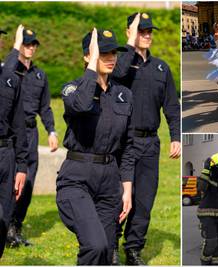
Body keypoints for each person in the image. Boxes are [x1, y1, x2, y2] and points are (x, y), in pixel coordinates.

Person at [56, 28, 134, 265]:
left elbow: (128, 145)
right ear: (88, 56)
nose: (111, 58)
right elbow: (80, 106)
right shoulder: (72, 89)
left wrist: (127, 188)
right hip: (77, 178)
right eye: (103, 53)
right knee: (94, 245)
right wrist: (92, 68)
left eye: (114, 53)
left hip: (110, 181)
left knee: (107, 252)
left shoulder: (124, 95)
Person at [112, 13, 181, 265]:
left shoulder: (161, 67)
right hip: (122, 143)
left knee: (144, 201)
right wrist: (129, 43)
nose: (148, 34)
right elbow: (117, 75)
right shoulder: (120, 64)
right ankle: (111, 247)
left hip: (150, 143)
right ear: (130, 32)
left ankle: (133, 249)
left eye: (150, 30)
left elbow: (172, 106)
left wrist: (176, 136)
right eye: (142, 30)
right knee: (119, 197)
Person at [7, 28, 58, 248]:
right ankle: (6, 227)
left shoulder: (40, 75)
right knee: (10, 183)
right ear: (19, 45)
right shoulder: (8, 71)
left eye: (32, 45)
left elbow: (45, 107)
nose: (30, 48)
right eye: (26, 44)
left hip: (30, 133)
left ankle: (16, 227)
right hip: (11, 134)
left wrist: (52, 131)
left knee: (28, 183)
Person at [0, 25, 27, 258]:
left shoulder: (10, 79)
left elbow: (19, 125)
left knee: (4, 217)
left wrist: (21, 165)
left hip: (6, 156)